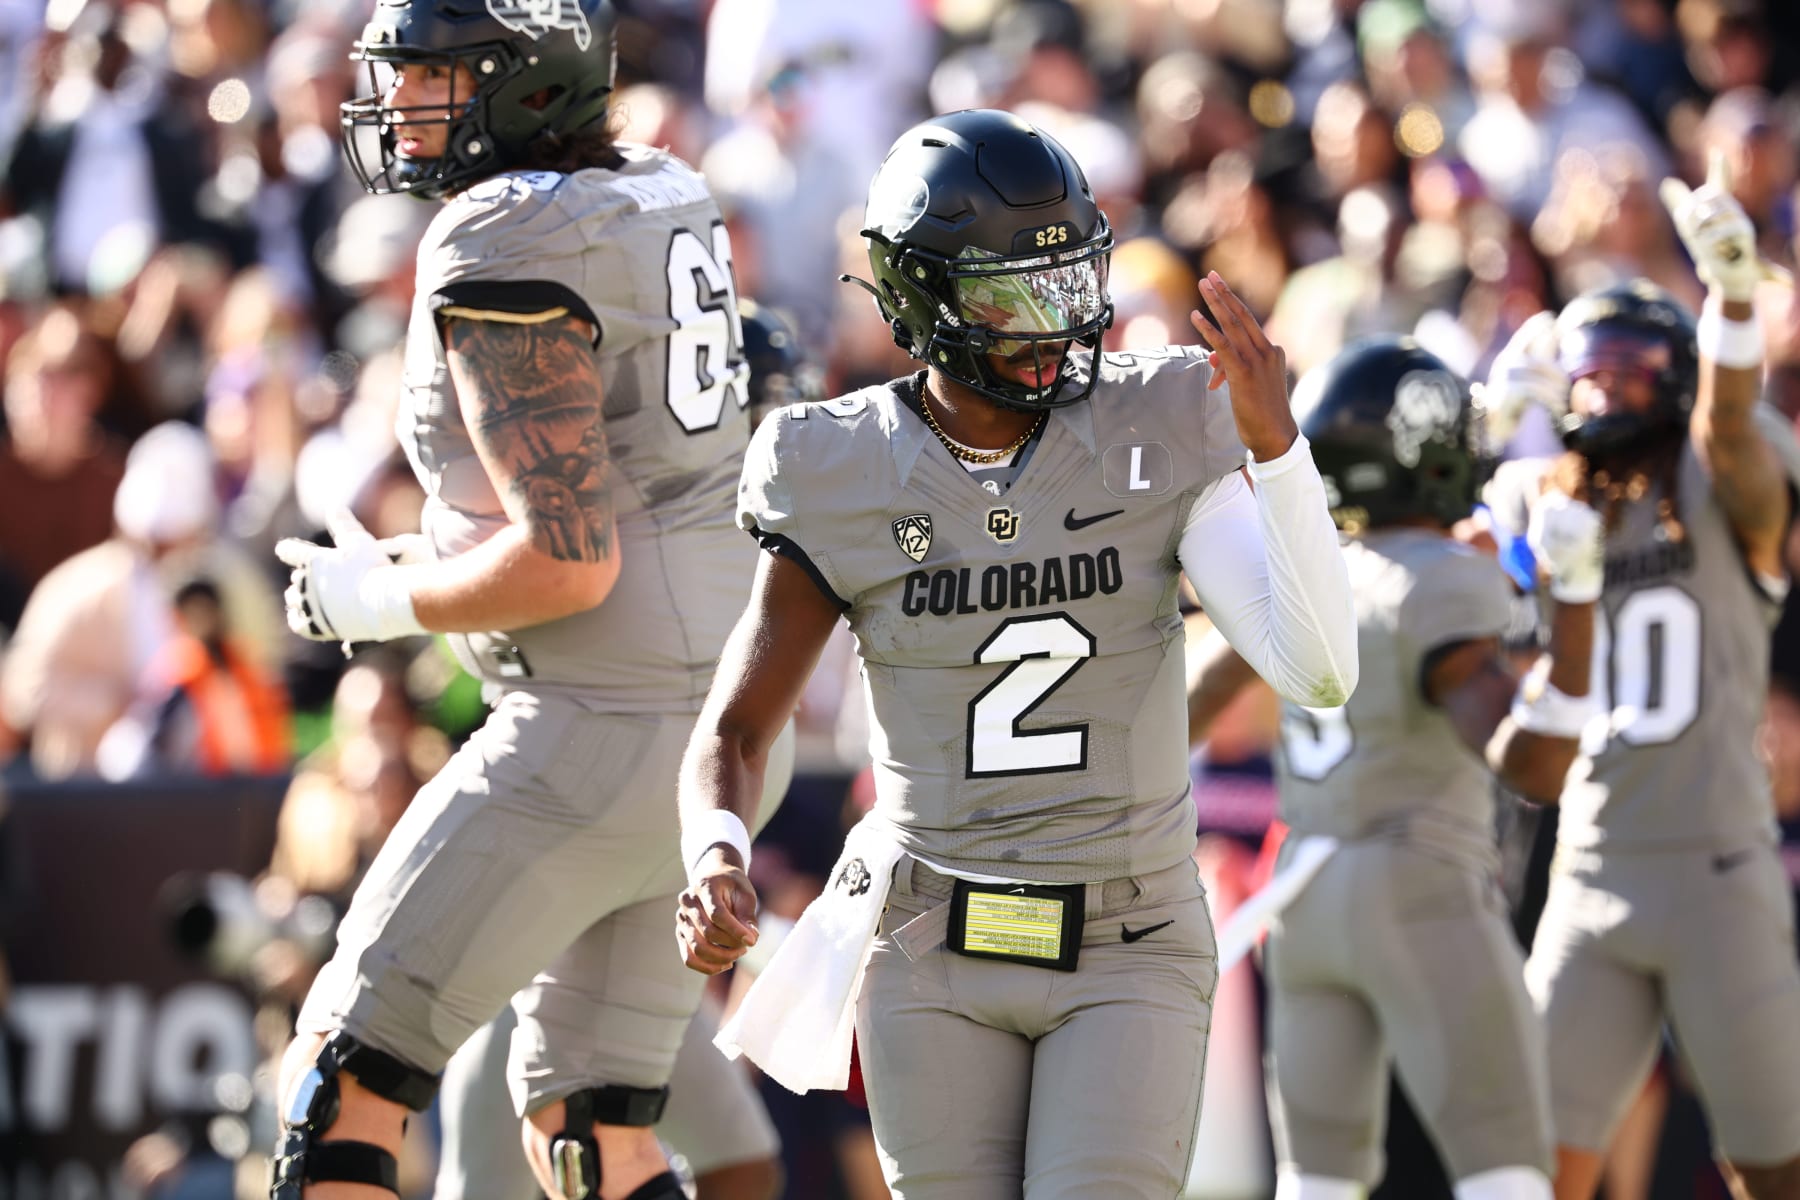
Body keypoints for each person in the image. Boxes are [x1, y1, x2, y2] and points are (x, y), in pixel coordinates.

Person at [672, 107, 1360, 1200]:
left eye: (1070, 282)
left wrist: (1280, 458)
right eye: (1013, 293)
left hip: (1127, 932)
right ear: (918, 296)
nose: (1056, 322)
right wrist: (715, 852)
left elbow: (1320, 670)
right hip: (933, 939)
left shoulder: (1161, 414)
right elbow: (739, 728)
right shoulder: (836, 466)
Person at [265, 3, 779, 1197]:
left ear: (523, 81)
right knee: (592, 1126)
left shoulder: (507, 231)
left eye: (432, 76)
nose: (397, 103)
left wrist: (383, 610)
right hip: (725, 731)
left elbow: (570, 556)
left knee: (342, 1080)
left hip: (592, 729)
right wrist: (414, 562)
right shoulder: (657, 187)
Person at [1185, 337, 1605, 1200]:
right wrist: (1576, 612)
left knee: (1319, 1182)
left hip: (1302, 896)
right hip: (1419, 883)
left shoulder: (1315, 569)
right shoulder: (1446, 582)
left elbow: (1184, 709)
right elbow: (1532, 765)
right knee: (1507, 1167)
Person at [1494, 158, 1800, 1200]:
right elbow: (1462, 548)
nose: (1602, 387)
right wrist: (1497, 433)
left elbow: (1729, 434)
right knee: (1532, 1170)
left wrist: (1732, 305)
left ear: (1675, 376)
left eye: (1628, 367)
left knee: (1772, 1168)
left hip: (1717, 870)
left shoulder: (1721, 478)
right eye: (1589, 368)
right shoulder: (1554, 492)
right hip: (1591, 870)